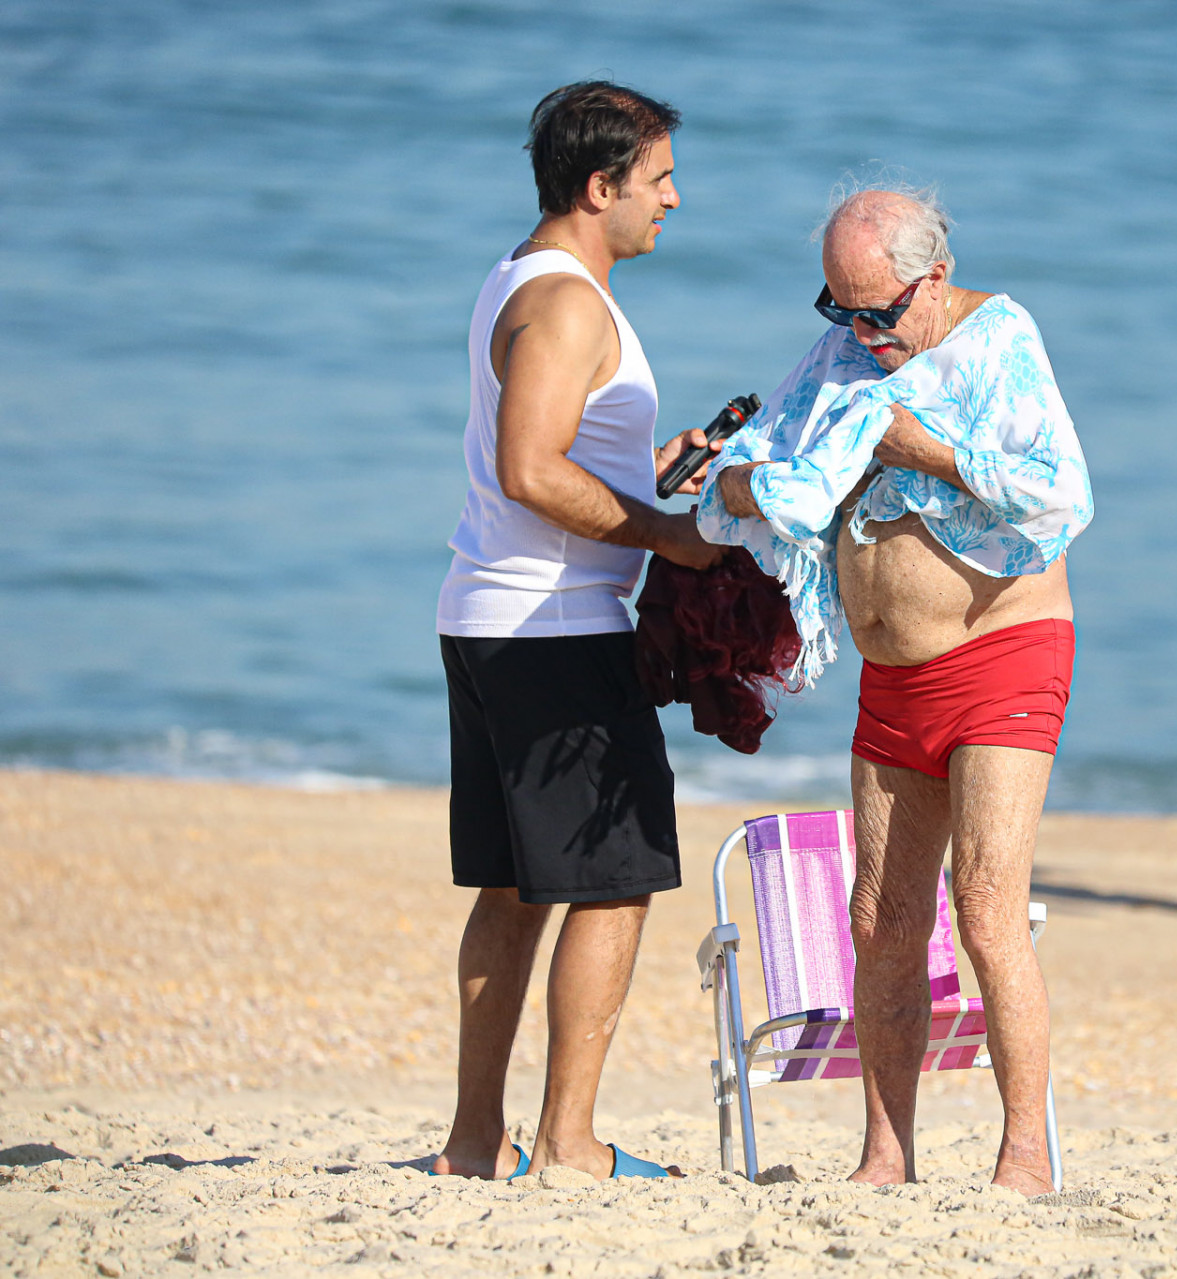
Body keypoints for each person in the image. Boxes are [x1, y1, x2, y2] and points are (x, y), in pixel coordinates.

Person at [696, 186, 1093, 1195]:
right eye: (841, 309)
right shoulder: (846, 350)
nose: (862, 334)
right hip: (891, 673)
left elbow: (1063, 492)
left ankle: (1026, 1157)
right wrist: (742, 480)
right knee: (878, 915)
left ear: (936, 276)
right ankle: (886, 1151)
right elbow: (749, 465)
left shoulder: (999, 339)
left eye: (880, 312)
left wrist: (933, 454)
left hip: (1002, 648)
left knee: (988, 905)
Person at [430, 81, 722, 1182]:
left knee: (511, 884)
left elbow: (550, 457)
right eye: (659, 180)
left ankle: (472, 1145)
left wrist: (647, 470)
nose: (674, 200)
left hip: (499, 615)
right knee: (612, 881)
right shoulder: (566, 304)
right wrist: (666, 533)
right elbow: (526, 468)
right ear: (601, 188)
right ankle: (567, 1146)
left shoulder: (528, 279)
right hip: (553, 628)